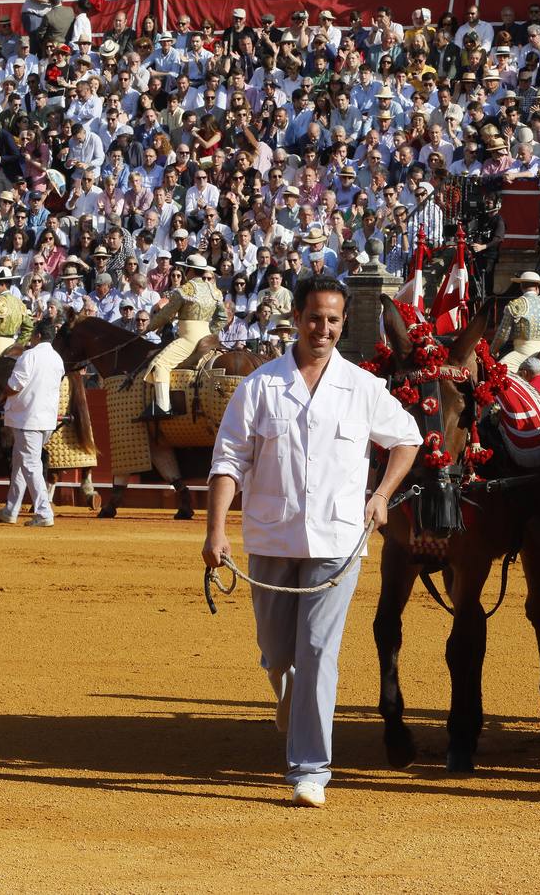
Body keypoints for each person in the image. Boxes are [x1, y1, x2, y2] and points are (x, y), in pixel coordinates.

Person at [204, 275, 422, 809]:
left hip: (337, 539)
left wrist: (381, 496)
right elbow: (228, 461)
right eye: (315, 318)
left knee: (320, 651)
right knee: (278, 653)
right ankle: (288, 691)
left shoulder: (365, 387)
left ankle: (310, 768)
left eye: (333, 320)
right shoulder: (259, 385)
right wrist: (214, 531)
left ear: (343, 323)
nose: (323, 328)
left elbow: (408, 439)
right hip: (271, 536)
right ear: (297, 317)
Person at [0, 319, 64, 527]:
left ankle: (43, 513)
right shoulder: (57, 359)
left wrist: (3, 392)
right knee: (20, 463)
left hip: (28, 419)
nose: (31, 336)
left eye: (33, 333)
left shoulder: (29, 355)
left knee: (30, 464)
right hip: (46, 420)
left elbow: (16, 385)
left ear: (39, 335)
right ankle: (11, 509)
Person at [140, 255, 225, 419]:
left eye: (186, 269)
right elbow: (222, 317)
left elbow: (166, 314)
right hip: (207, 336)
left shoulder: (184, 290)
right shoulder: (215, 292)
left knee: (160, 364)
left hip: (188, 338)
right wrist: (210, 331)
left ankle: (163, 407)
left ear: (190, 270)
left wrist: (148, 328)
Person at [492, 270, 540, 371]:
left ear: (521, 287)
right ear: (537, 287)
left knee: (498, 372)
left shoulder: (515, 305)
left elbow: (503, 335)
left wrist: (493, 350)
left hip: (520, 354)